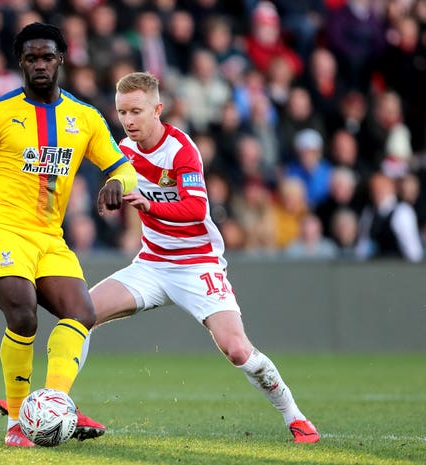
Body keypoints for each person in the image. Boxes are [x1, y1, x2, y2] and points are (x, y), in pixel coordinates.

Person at [83, 72, 320, 443]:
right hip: (152, 263)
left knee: (238, 349)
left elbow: (195, 208)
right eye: (122, 112)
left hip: (198, 265)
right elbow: (120, 179)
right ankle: (57, 403)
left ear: (157, 109)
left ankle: (296, 416)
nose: (128, 120)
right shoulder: (123, 150)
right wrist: (110, 190)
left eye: (136, 111)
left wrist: (147, 203)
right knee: (81, 313)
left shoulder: (181, 149)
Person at [0, 22, 138, 448]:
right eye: (31, 58)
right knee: (23, 315)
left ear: (61, 60)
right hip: (1, 228)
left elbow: (123, 168)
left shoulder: (84, 118)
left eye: (46, 57)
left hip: (50, 236)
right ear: (20, 62)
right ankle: (17, 421)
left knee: (81, 313)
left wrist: (118, 185)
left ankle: (52, 404)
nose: (39, 65)